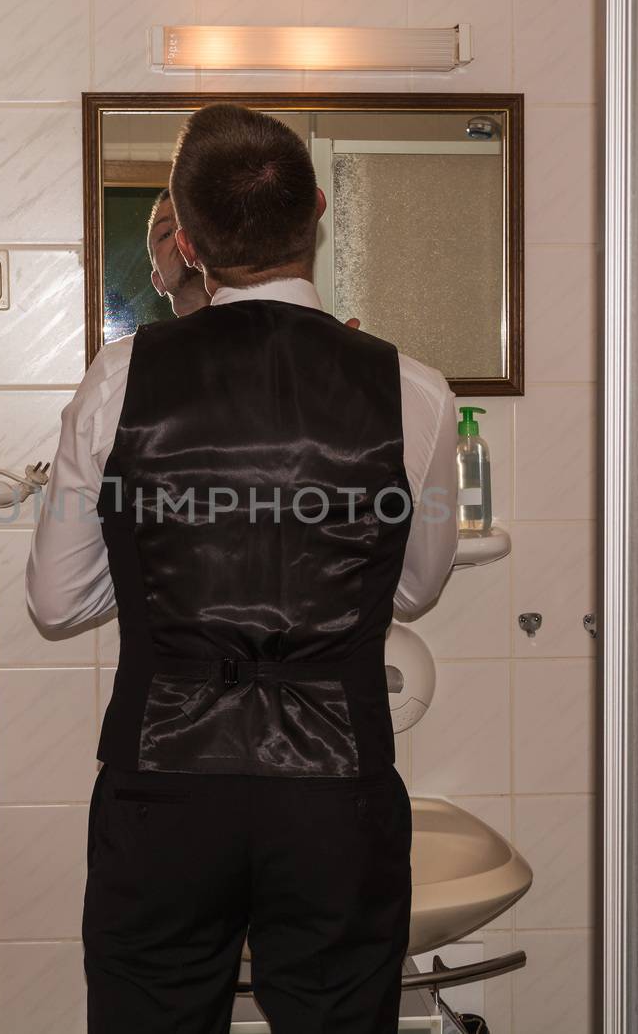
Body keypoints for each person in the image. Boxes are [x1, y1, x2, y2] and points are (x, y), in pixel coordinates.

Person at [26, 103, 458, 1033]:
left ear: (185, 238)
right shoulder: (412, 391)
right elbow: (415, 585)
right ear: (317, 217)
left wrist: (149, 571)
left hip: (166, 783)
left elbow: (58, 600)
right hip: (336, 790)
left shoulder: (117, 377)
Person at [145, 187, 211, 316]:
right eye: (165, 234)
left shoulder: (261, 329)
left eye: (190, 221)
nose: (180, 232)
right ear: (157, 281)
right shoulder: (142, 337)